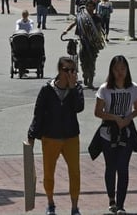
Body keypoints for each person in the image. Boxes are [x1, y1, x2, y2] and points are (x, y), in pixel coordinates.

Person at [27, 56, 85, 215]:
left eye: (73, 70)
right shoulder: (47, 90)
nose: (69, 73)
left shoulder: (77, 89)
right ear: (59, 70)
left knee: (75, 172)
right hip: (50, 137)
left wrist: (73, 88)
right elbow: (38, 114)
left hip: (71, 137)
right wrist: (31, 135)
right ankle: (50, 203)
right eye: (66, 70)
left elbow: (78, 107)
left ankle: (74, 207)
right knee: (48, 173)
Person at [89, 55, 137, 215]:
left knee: (123, 167)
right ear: (111, 71)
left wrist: (128, 118)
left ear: (127, 70)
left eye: (123, 69)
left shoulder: (134, 88)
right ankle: (111, 199)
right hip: (108, 132)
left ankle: (120, 205)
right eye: (116, 69)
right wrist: (114, 117)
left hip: (126, 131)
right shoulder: (105, 89)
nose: (120, 73)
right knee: (111, 167)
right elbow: (98, 112)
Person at [63, 0, 105, 89]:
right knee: (83, 60)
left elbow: (98, 30)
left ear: (94, 8)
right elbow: (73, 24)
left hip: (93, 44)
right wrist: (66, 31)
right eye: (88, 6)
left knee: (92, 61)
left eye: (92, 6)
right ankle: (85, 75)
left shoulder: (96, 18)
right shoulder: (81, 17)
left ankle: (91, 80)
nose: (90, 8)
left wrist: (98, 40)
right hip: (82, 42)